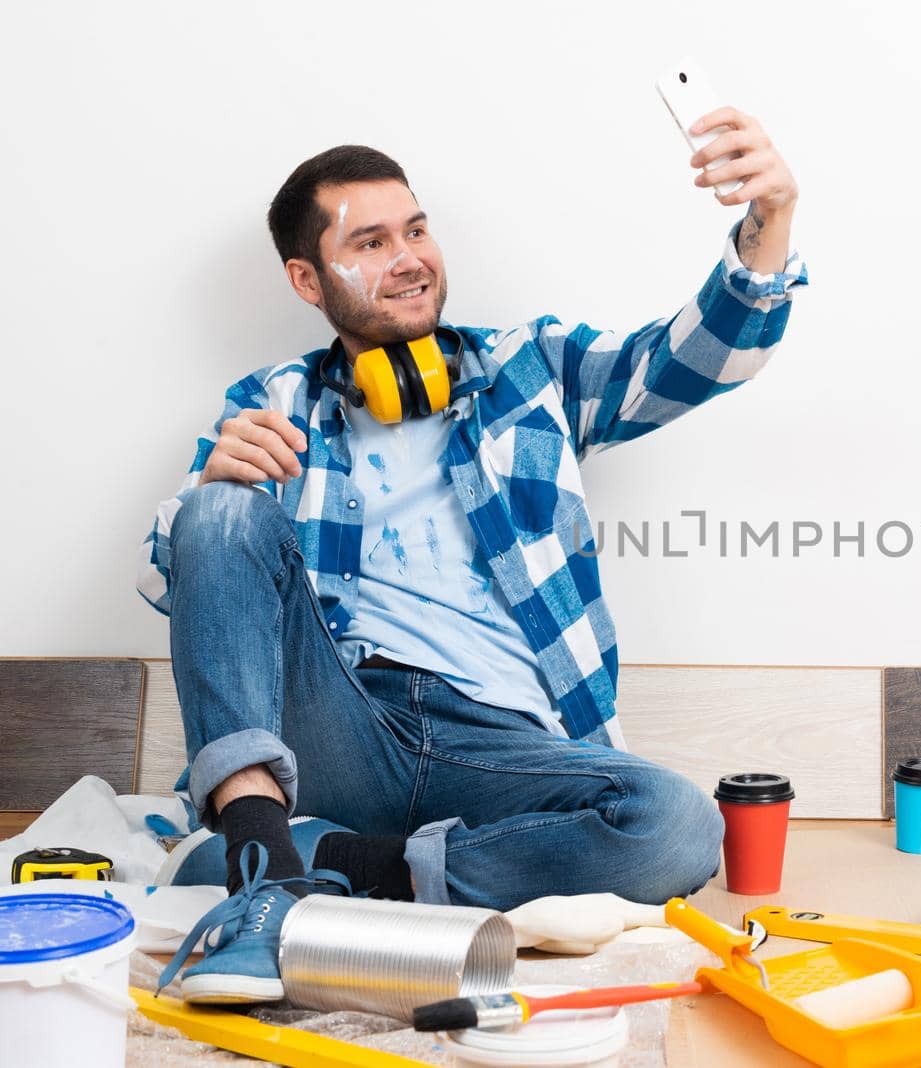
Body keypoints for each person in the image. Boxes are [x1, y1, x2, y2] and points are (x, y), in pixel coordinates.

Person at [137, 107, 806, 1004]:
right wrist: (203, 497)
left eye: (415, 229)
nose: (410, 255)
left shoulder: (532, 370)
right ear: (307, 278)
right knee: (214, 514)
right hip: (342, 723)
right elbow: (178, 585)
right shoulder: (274, 401)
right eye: (369, 241)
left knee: (676, 828)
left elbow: (698, 359)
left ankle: (339, 864)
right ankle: (262, 865)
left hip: (500, 745)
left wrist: (771, 220)